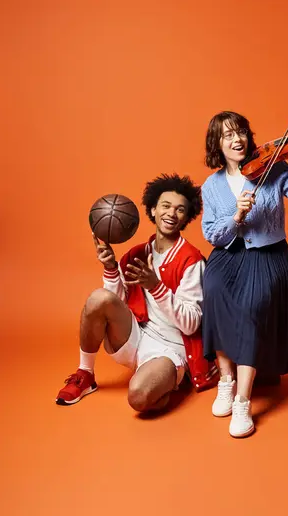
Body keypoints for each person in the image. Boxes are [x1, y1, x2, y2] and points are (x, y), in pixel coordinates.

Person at [201, 111, 288, 437]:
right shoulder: (211, 187)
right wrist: (236, 216)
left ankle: (243, 401)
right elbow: (213, 235)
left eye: (240, 132)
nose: (236, 139)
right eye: (227, 135)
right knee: (211, 291)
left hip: (268, 255)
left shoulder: (273, 167)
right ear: (217, 143)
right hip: (229, 256)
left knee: (253, 308)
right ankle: (226, 379)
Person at [56, 173, 218, 412]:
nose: (171, 214)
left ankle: (168, 380)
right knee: (99, 297)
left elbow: (192, 324)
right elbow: (116, 302)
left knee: (138, 398)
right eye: (165, 206)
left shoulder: (191, 261)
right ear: (152, 210)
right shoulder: (137, 253)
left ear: (186, 218)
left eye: (180, 210)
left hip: (171, 349)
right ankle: (85, 374)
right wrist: (111, 267)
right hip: (135, 336)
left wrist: (156, 286)